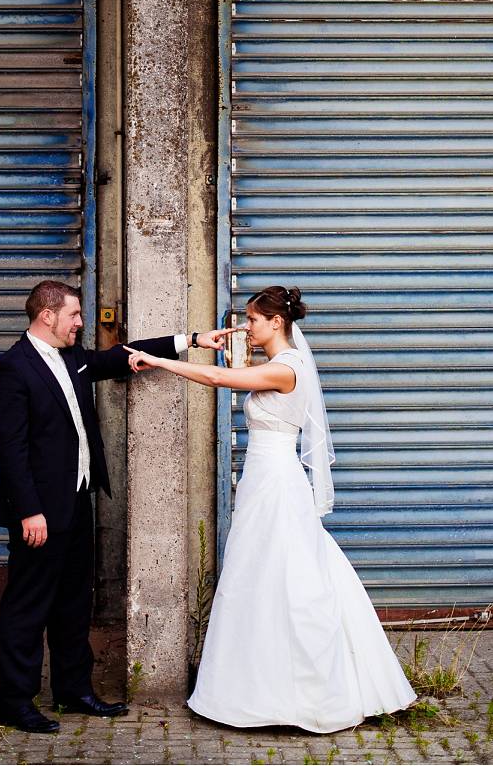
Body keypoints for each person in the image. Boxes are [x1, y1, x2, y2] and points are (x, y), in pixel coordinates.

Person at [125, 285, 415, 733]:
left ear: (276, 322)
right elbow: (239, 375)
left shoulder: (287, 369)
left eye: (254, 319)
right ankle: (255, 688)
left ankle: (305, 693)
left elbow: (222, 381)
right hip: (264, 480)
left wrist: (160, 361)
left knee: (288, 576)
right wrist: (218, 343)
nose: (248, 326)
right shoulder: (276, 365)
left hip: (277, 483)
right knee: (261, 574)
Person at [0, 280, 226, 733]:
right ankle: (15, 703)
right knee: (27, 605)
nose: (81, 323)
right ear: (47, 316)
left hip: (76, 501)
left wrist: (192, 340)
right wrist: (29, 511)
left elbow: (117, 358)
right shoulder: (11, 370)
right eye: (74, 315)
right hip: (38, 512)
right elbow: (11, 451)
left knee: (75, 602)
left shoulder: (72, 357)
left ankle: (73, 691)